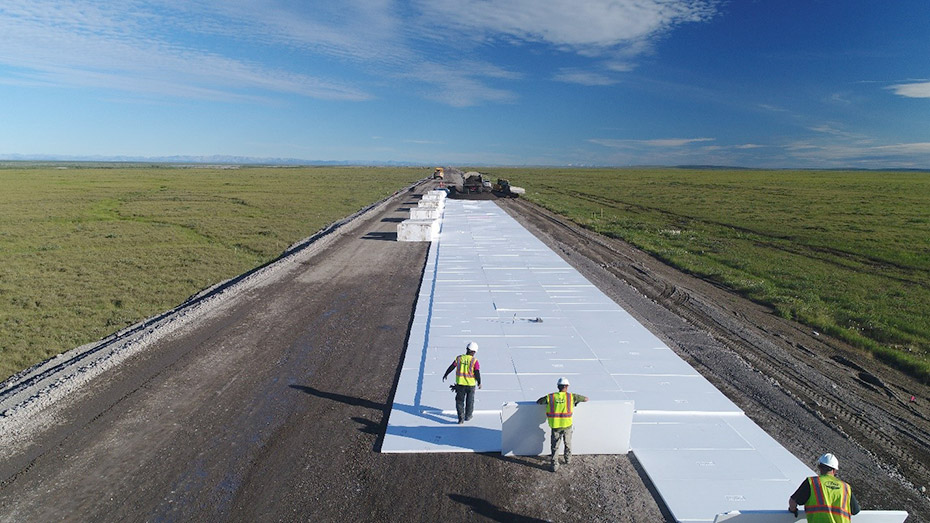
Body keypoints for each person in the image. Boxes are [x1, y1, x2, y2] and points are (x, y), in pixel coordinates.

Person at [788, 453, 860, 522]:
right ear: (835, 470)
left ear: (819, 467)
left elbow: (793, 501)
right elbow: (855, 510)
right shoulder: (845, 487)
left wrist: (793, 510)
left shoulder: (812, 482)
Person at [536, 377, 588, 472]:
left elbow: (539, 401)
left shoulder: (551, 397)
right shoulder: (571, 396)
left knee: (555, 446)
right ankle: (567, 460)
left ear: (558, 386)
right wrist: (575, 402)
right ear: (567, 386)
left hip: (555, 426)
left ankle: (554, 465)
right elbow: (585, 399)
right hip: (567, 425)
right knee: (567, 443)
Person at [442, 341, 481, 424]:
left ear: (467, 349)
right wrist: (479, 382)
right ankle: (468, 416)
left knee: (459, 401)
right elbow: (477, 372)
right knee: (470, 401)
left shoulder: (459, 358)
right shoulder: (474, 361)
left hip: (460, 384)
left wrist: (446, 374)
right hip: (470, 385)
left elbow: (452, 366)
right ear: (474, 352)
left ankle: (461, 418)